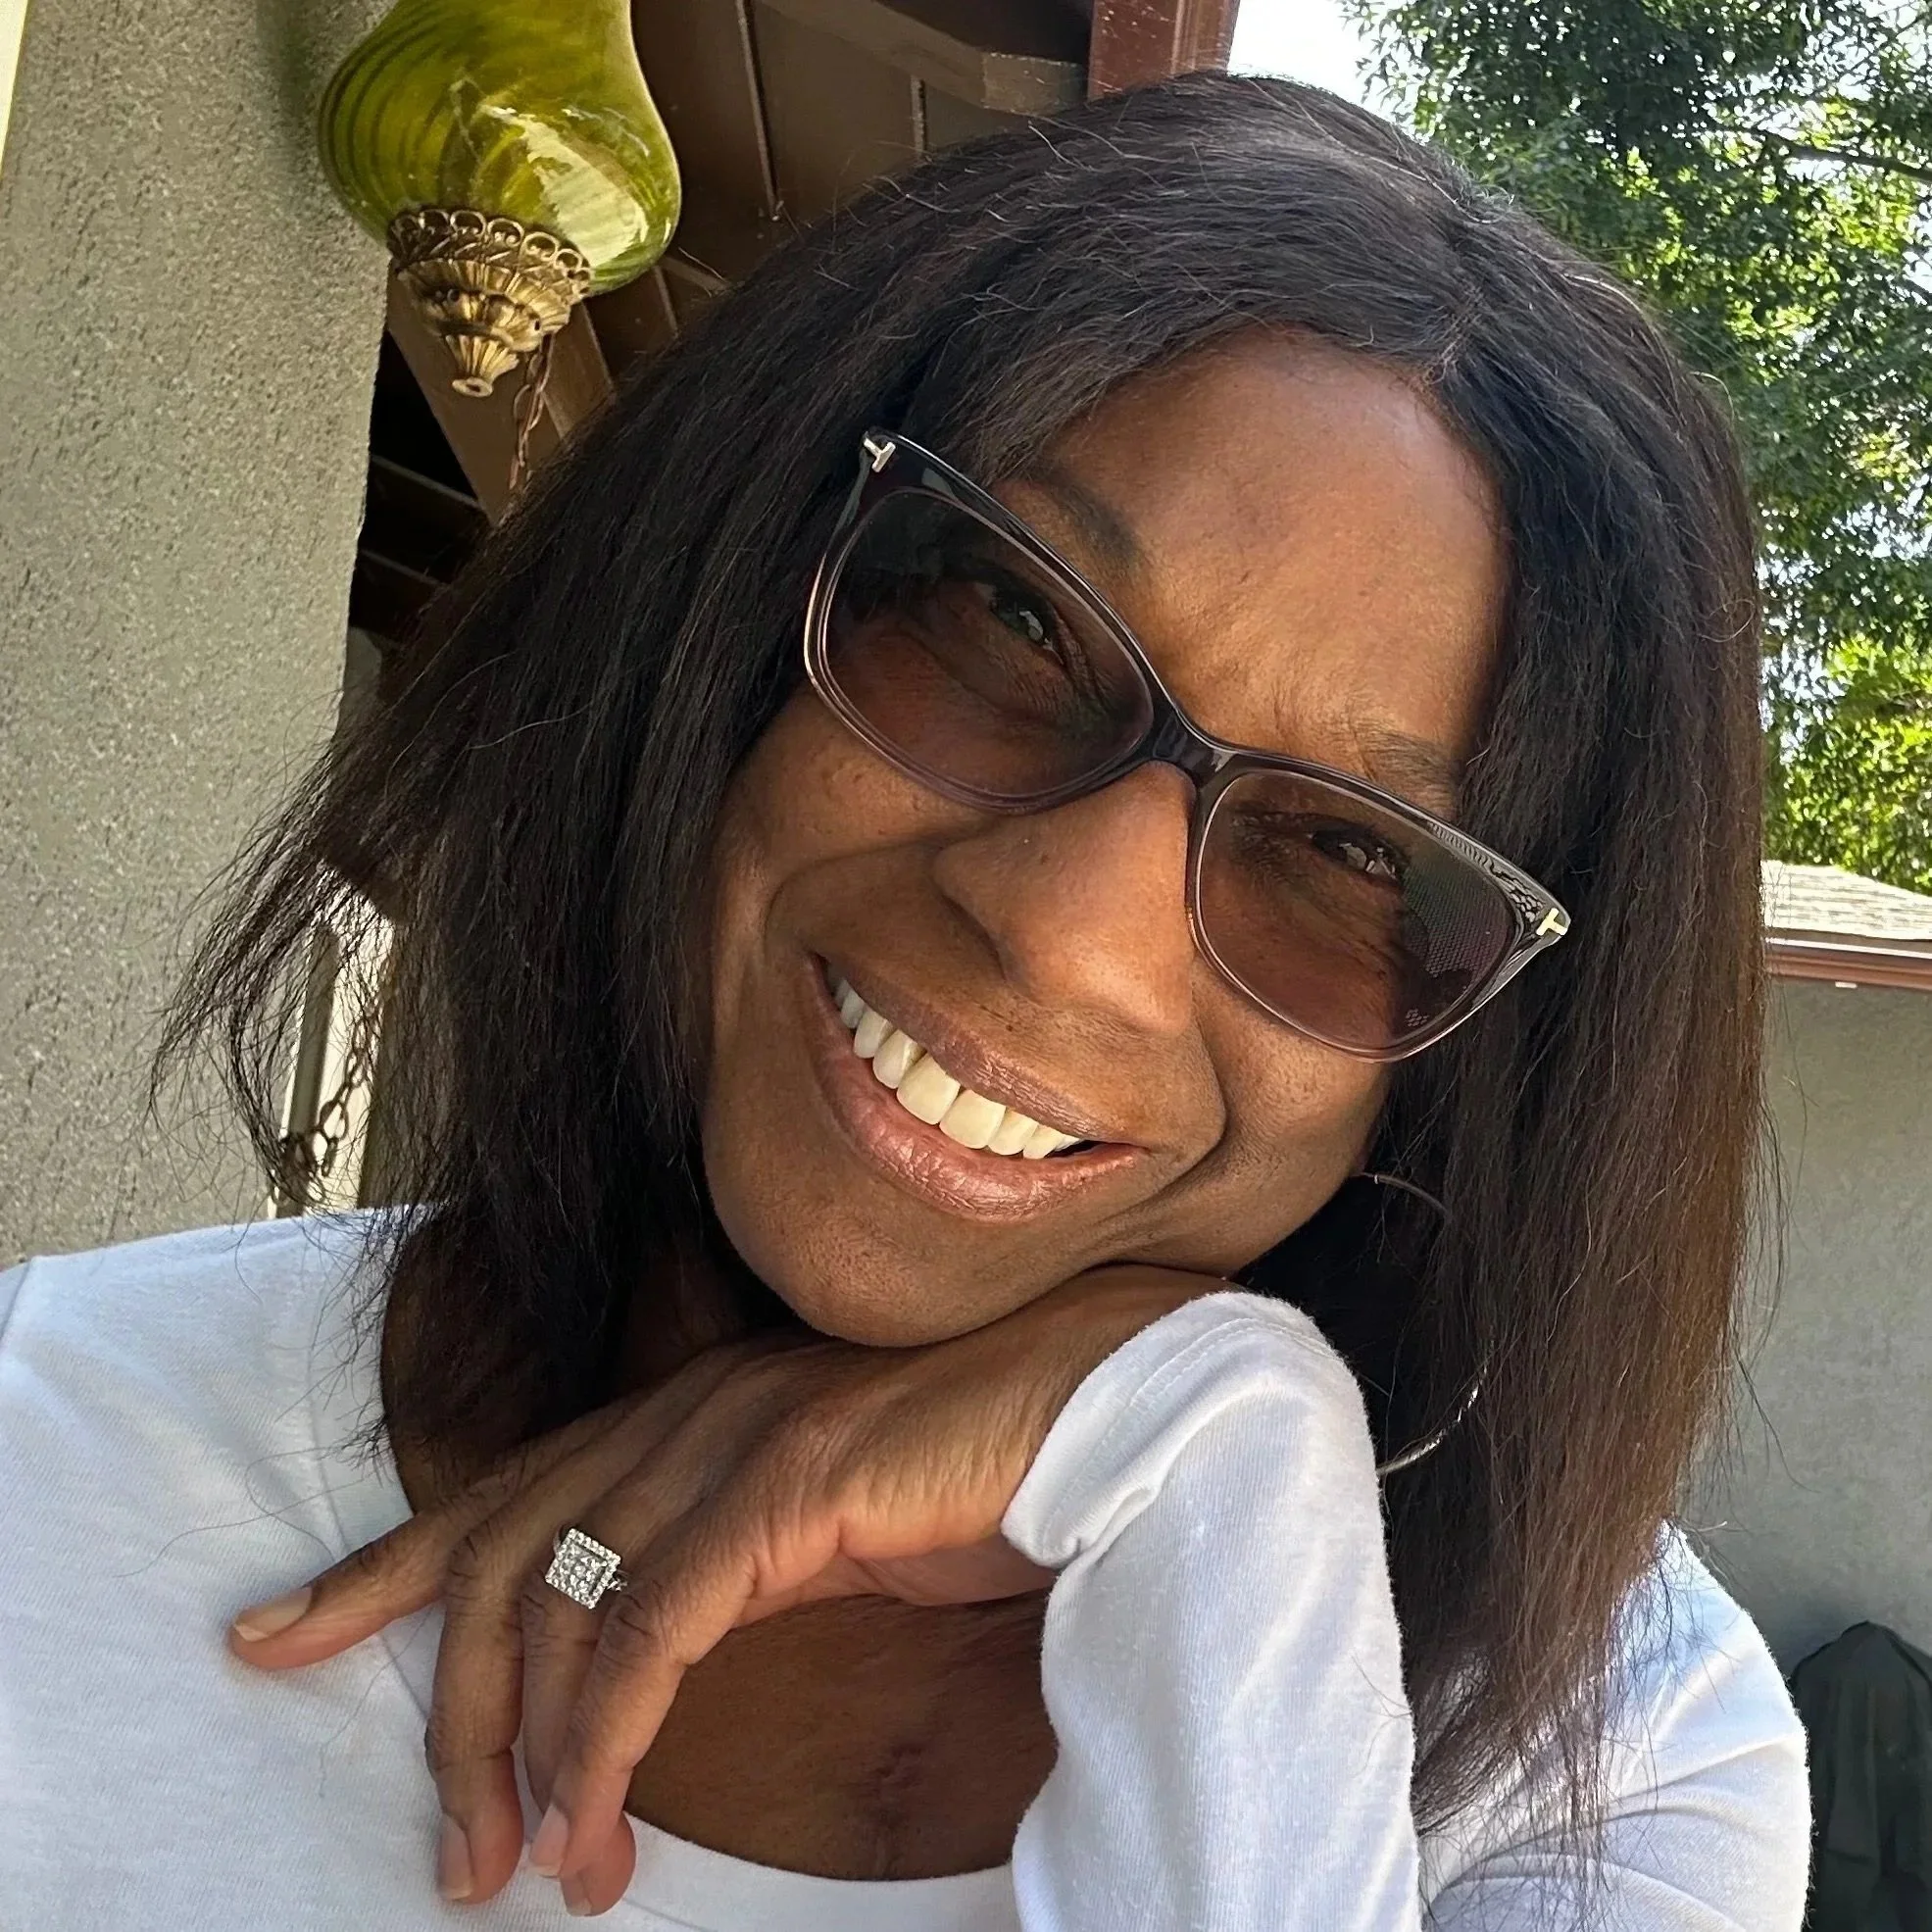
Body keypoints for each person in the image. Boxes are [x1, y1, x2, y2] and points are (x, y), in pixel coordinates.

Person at [0, 72, 1808, 1931]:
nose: (1066, 933)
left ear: (1490, 1055)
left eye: (1354, 857)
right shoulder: (44, 1455)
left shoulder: (1608, 1761)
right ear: (736, 585)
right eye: (1012, 619)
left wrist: (1225, 1458)